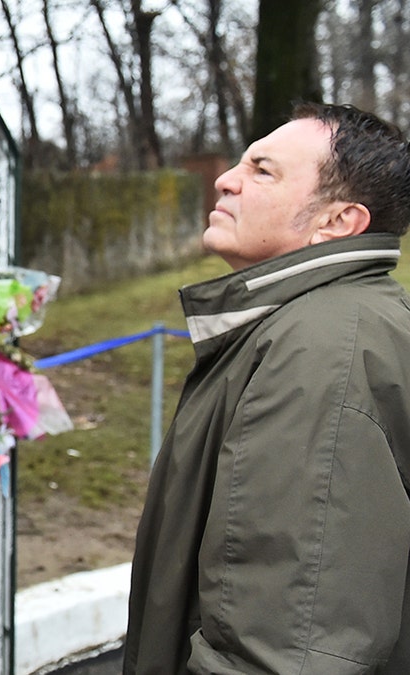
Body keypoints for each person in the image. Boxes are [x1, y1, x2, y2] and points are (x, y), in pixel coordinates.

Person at [124, 102, 410, 674]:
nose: (225, 180)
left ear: (336, 222)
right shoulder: (316, 324)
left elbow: (290, 643)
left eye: (262, 171)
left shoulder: (323, 350)